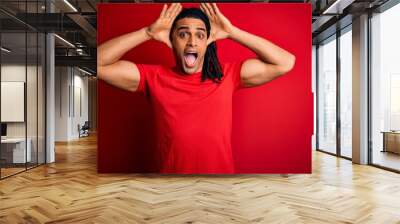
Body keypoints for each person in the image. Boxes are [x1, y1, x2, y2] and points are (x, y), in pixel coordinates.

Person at [97, 3, 296, 174]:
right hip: (170, 185)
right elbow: (97, 64)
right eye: (183, 34)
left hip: (219, 186)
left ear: (207, 43)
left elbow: (285, 62)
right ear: (171, 41)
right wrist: (147, 33)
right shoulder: (153, 77)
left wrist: (232, 32)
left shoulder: (227, 76)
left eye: (200, 35)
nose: (192, 41)